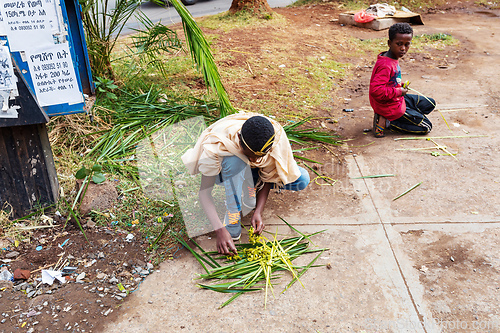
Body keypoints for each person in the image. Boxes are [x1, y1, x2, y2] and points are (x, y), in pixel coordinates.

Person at [181, 113, 310, 255]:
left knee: (302, 179)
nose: (254, 159)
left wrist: (258, 211)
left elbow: (268, 177)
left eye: (259, 157)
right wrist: (219, 229)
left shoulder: (274, 140)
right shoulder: (217, 143)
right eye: (249, 155)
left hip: (252, 173)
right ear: (239, 140)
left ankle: (251, 189)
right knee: (236, 162)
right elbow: (204, 193)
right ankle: (233, 215)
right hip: (227, 171)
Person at [369, 22, 436, 138]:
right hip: (390, 106)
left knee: (430, 103)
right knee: (427, 127)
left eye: (407, 44)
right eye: (399, 44)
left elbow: (389, 81)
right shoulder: (385, 65)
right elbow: (376, 91)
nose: (403, 48)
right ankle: (390, 122)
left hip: (396, 99)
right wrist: (399, 91)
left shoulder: (392, 57)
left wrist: (400, 85)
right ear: (389, 43)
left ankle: (393, 116)